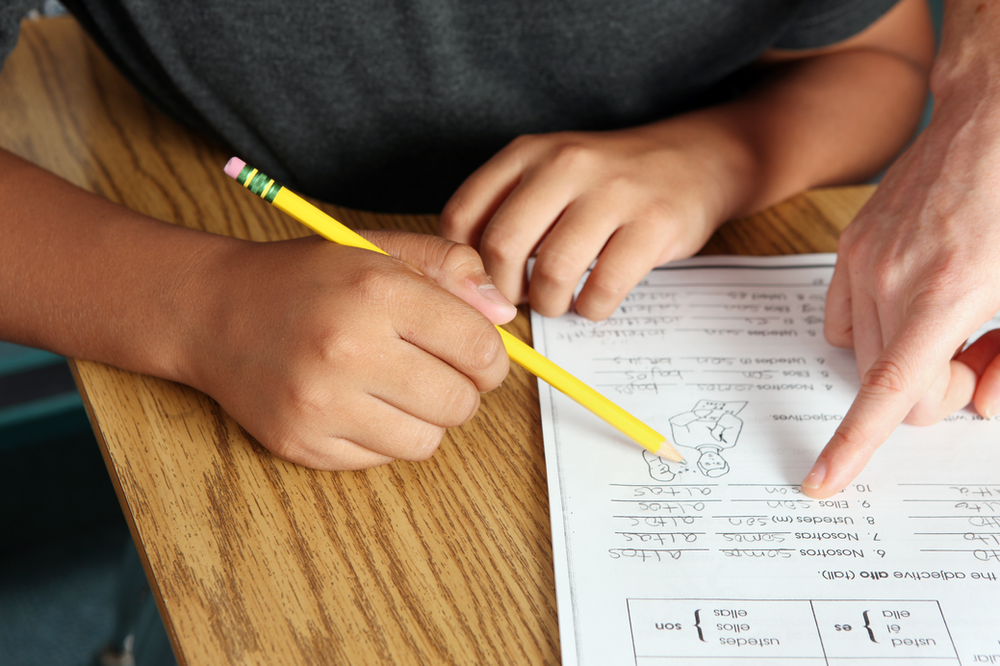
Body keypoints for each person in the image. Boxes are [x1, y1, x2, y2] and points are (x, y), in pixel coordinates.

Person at [0, 1, 934, 485]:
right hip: (235, 237)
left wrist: (718, 155)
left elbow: (878, 60)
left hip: (698, 240)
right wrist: (200, 305)